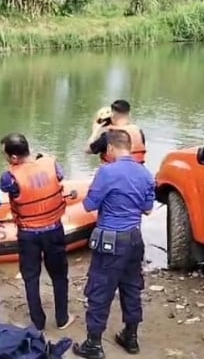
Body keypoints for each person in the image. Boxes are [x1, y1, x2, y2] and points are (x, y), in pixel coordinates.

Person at [72, 130, 155, 358]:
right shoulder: (145, 173)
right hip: (134, 239)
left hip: (111, 238)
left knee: (100, 289)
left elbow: (89, 205)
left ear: (109, 149)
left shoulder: (106, 172)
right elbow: (147, 209)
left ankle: (93, 344)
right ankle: (131, 337)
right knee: (131, 287)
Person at [0, 133, 76, 332]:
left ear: (14, 157)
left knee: (31, 277)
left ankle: (38, 322)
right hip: (53, 229)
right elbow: (60, 176)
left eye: (5, 155)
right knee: (59, 276)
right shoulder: (50, 163)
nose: (5, 159)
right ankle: (62, 318)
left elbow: (6, 188)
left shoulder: (10, 177)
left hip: (28, 234)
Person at [85, 99, 147, 165]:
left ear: (112, 115)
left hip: (114, 174)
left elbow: (87, 150)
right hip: (137, 173)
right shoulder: (139, 132)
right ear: (129, 114)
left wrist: (94, 132)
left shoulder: (108, 136)